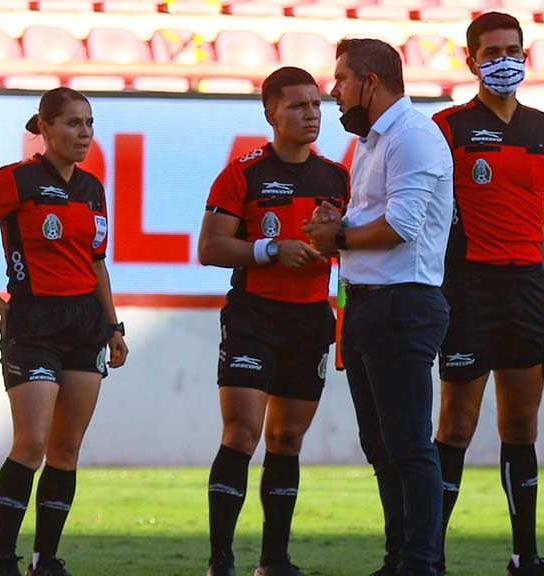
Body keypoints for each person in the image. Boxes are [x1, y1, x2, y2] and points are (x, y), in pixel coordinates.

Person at [0, 87, 128, 576]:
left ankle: (45, 560)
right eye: (71, 123)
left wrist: (112, 326)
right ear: (44, 129)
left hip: (85, 326)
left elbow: (96, 262)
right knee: (30, 443)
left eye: (89, 123)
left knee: (65, 449)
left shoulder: (92, 188)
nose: (83, 132)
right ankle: (2, 560)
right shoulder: (17, 179)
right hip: (33, 324)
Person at [430, 12, 544, 576]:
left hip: (527, 290)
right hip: (467, 288)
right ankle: (431, 556)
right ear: (470, 60)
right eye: (491, 51)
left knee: (520, 427)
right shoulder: (446, 128)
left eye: (512, 49)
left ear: (526, 54)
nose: (503, 60)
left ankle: (524, 555)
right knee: (455, 427)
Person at [304, 39, 454, 576]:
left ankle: (420, 563)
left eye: (341, 78)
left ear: (371, 81)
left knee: (409, 445)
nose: (334, 90)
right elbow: (376, 217)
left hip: (402, 305)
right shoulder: (375, 141)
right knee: (384, 447)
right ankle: (400, 560)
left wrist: (335, 236)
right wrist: (337, 220)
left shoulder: (412, 137)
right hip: (368, 305)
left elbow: (400, 228)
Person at [198, 66, 350, 576]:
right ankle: (221, 560)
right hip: (253, 317)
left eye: (315, 104)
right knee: (242, 434)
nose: (311, 114)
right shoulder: (243, 172)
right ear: (271, 114)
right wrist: (269, 249)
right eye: (297, 106)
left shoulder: (337, 178)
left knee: (287, 440)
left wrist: (332, 245)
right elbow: (211, 247)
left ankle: (274, 560)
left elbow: (353, 249)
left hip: (310, 320)